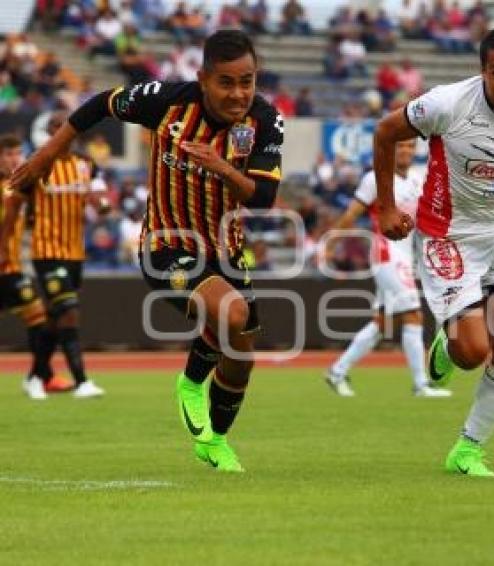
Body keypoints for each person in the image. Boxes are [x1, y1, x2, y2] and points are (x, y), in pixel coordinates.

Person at [7, 30, 285, 472]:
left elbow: (263, 199)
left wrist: (219, 167)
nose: (238, 94)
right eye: (226, 82)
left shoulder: (266, 121)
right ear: (203, 79)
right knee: (230, 315)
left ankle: (213, 438)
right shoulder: (167, 101)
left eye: (247, 82)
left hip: (226, 251)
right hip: (166, 244)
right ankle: (192, 386)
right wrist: (44, 157)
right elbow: (100, 104)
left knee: (241, 357)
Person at [373, 25, 494, 477]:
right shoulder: (448, 104)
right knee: (472, 352)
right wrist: (386, 208)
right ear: (482, 73)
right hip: (448, 234)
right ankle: (449, 345)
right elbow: (385, 132)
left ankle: (468, 449)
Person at [324, 140, 451, 398]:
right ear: (389, 150)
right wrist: (331, 244)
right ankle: (420, 384)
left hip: (406, 255)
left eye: (409, 146)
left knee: (381, 322)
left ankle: (337, 371)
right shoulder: (375, 178)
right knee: (414, 315)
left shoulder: (417, 179)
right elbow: (351, 214)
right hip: (386, 252)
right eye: (399, 146)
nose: (405, 150)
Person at [1, 114, 108, 400]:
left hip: (75, 253)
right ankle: (82, 381)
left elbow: (100, 199)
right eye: (56, 131)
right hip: (46, 251)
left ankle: (35, 376)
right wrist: (3, 244)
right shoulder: (37, 165)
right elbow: (13, 206)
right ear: (48, 136)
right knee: (69, 311)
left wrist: (104, 206)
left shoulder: (86, 166)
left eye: (67, 130)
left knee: (53, 317)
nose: (63, 136)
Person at [0, 134, 72, 399]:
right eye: (8, 154)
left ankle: (40, 376)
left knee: (40, 320)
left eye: (18, 153)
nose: (14, 159)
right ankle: (41, 377)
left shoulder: (22, 185)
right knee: (40, 320)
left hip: (10, 268)